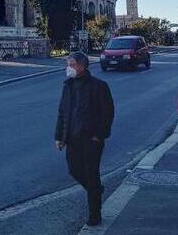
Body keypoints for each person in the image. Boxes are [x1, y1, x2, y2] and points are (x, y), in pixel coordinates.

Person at [55, 52, 115, 227]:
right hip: (72, 138)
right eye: (68, 64)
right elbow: (62, 112)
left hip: (91, 139)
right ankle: (95, 190)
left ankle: (94, 215)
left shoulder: (99, 86)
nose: (68, 68)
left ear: (82, 66)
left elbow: (108, 113)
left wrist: (100, 135)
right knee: (74, 170)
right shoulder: (68, 86)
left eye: (71, 64)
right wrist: (59, 136)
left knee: (91, 173)